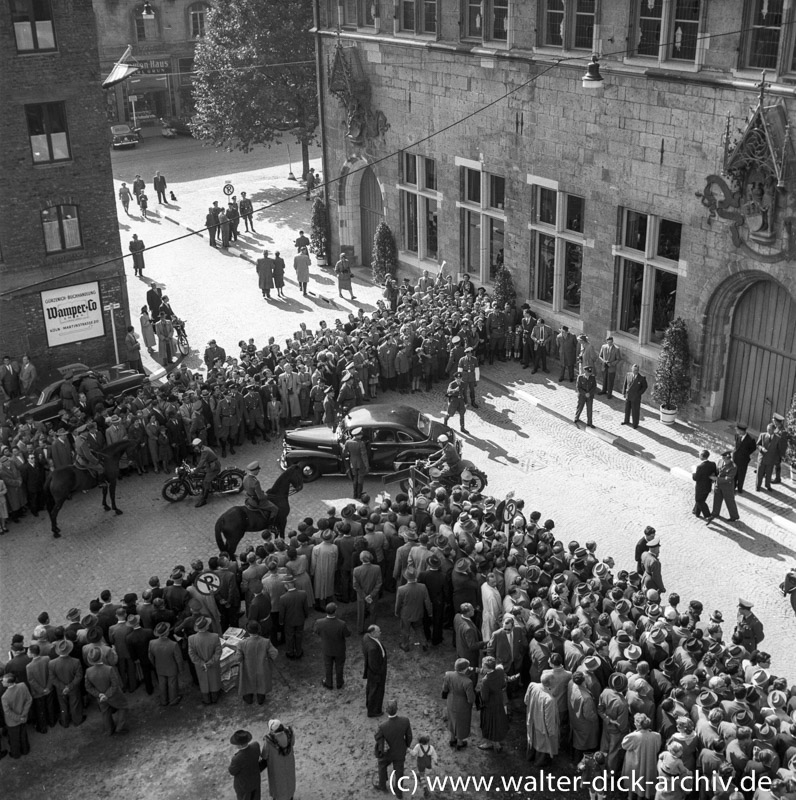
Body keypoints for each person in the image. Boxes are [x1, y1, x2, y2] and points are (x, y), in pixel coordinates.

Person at [374, 700, 413, 796]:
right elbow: (409, 736)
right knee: (399, 771)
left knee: (382, 765)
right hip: (400, 751)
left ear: (386, 710)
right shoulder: (405, 721)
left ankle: (382, 785)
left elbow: (377, 737)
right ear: (397, 709)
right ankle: (399, 792)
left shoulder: (383, 726)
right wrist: (406, 746)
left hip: (387, 753)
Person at [236, 620, 278, 705]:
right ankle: (260, 699)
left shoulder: (241, 643)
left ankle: (249, 699)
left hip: (248, 668)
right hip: (262, 667)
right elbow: (274, 653)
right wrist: (267, 658)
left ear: (247, 631)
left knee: (247, 682)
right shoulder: (266, 642)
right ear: (258, 629)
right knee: (261, 682)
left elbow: (238, 658)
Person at [312, 602, 351, 690]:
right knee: (339, 666)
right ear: (335, 611)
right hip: (339, 649)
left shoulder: (319, 622)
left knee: (328, 666)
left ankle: (329, 683)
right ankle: (339, 683)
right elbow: (347, 634)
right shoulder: (342, 624)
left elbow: (315, 632)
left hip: (327, 649)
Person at [395, 567, 432, 652]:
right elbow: (427, 601)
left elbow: (398, 603)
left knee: (405, 630)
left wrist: (397, 612)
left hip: (406, 615)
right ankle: (424, 643)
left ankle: (405, 645)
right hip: (418, 612)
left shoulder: (401, 589)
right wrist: (430, 612)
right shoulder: (423, 587)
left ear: (406, 577)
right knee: (419, 628)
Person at [477, 656, 509, 751]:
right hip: (499, 701)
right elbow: (503, 684)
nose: (482, 668)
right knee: (498, 722)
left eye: (483, 666)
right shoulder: (500, 671)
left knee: (488, 724)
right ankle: (497, 744)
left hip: (489, 705)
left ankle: (489, 743)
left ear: (488, 668)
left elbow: (484, 697)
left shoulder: (485, 681)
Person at [147, 621, 183, 706]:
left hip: (159, 667)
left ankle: (164, 701)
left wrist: (155, 665)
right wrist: (181, 669)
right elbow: (179, 659)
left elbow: (150, 656)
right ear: (167, 632)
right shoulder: (173, 644)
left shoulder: (151, 643)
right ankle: (173, 700)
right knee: (172, 684)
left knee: (162, 684)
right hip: (171, 667)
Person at [188, 615, 222, 704]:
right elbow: (218, 652)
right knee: (214, 681)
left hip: (200, 666)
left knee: (203, 681)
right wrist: (210, 662)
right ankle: (215, 698)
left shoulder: (191, 639)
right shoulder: (214, 636)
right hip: (213, 665)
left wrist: (202, 663)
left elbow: (192, 654)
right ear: (207, 626)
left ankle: (206, 700)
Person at [262, 719, 296, 800]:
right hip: (289, 762)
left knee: (278, 784)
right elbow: (293, 743)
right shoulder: (290, 734)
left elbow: (264, 755)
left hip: (276, 766)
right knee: (289, 779)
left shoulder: (269, 741)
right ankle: (290, 795)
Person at [277, 578, 309, 659]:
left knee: (289, 637)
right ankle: (299, 652)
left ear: (287, 585)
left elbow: (282, 613)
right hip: (300, 619)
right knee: (299, 635)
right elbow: (306, 608)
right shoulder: (303, 594)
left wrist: (281, 621)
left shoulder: (283, 598)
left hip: (289, 621)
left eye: (284, 584)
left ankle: (290, 652)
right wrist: (306, 616)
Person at [1, 673, 32, 758]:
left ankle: (16, 754)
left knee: (14, 739)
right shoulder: (22, 685)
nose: (2, 682)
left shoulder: (5, 696)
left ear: (10, 683)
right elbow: (29, 700)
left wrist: (18, 718)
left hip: (12, 722)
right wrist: (23, 715)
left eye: (3, 681)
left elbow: (7, 712)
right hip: (24, 717)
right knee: (23, 734)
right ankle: (25, 750)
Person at [228, 729, 264, 800]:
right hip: (255, 781)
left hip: (244, 787)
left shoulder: (237, 759)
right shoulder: (256, 746)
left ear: (239, 745)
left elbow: (232, 771)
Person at [242, 461, 279, 528]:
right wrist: (266, 495)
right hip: (255, 502)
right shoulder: (255, 482)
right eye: (258, 470)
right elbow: (261, 497)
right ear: (254, 471)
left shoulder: (245, 477)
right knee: (275, 509)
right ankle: (270, 525)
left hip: (248, 498)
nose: (259, 471)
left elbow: (246, 488)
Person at [353, 551, 382, 635]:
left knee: (361, 612)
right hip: (373, 595)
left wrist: (364, 596)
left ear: (361, 559)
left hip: (361, 596)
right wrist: (371, 595)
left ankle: (360, 629)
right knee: (373, 612)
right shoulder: (377, 568)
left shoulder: (356, 570)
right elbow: (379, 583)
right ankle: (373, 630)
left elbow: (355, 585)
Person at [362, 624, 388, 717]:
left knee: (371, 689)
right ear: (372, 633)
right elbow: (374, 665)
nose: (380, 632)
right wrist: (381, 672)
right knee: (376, 691)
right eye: (378, 631)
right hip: (376, 674)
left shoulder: (366, 637)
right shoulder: (373, 648)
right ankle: (374, 711)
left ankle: (370, 706)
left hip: (372, 672)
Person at [707, 451, 739, 523]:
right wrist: (713, 476)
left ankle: (734, 516)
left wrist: (716, 479)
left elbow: (729, 478)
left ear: (729, 459)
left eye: (725, 459)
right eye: (723, 458)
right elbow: (717, 471)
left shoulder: (733, 467)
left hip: (727, 487)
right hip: (718, 485)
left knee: (730, 501)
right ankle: (715, 513)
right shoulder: (720, 461)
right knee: (717, 499)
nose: (723, 460)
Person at [192, 437, 220, 508]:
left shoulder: (205, 451)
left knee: (206, 481)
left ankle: (204, 499)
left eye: (195, 446)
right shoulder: (204, 448)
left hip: (213, 467)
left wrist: (195, 471)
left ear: (199, 445)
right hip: (209, 464)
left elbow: (201, 462)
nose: (195, 448)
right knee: (202, 474)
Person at [343, 428, 369, 500]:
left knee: (355, 478)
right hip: (360, 463)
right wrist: (367, 466)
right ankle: (359, 494)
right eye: (360, 434)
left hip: (352, 463)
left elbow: (344, 452)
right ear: (357, 435)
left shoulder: (348, 442)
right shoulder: (361, 443)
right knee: (360, 479)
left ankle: (354, 494)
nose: (361, 436)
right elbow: (364, 456)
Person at [692, 450, 717, 520]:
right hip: (708, 486)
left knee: (699, 500)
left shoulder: (700, 467)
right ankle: (696, 512)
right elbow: (715, 473)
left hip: (700, 487)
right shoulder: (713, 464)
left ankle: (708, 515)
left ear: (702, 456)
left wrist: (694, 471)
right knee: (702, 499)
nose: (699, 455)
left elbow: (696, 478)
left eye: (699, 455)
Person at [732, 423, 757, 494]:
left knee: (741, 474)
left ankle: (740, 488)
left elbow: (753, 448)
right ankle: (733, 487)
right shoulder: (737, 436)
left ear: (741, 431)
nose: (736, 431)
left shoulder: (750, 440)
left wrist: (745, 454)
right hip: (736, 458)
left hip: (743, 460)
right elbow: (736, 446)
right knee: (734, 473)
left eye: (737, 430)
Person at [622, 364, 648, 428]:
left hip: (635, 397)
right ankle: (626, 420)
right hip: (628, 396)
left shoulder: (641, 378)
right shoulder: (628, 375)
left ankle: (635, 424)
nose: (635, 371)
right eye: (634, 370)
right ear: (632, 369)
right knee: (627, 409)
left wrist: (639, 393)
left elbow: (645, 386)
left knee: (635, 411)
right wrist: (624, 393)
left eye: (636, 370)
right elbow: (625, 384)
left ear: (638, 370)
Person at [756, 423, 778, 492]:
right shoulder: (762, 435)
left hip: (770, 460)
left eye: (770, 429)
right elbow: (758, 445)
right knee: (759, 473)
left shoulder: (777, 438)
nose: (768, 430)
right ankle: (758, 486)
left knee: (769, 474)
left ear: (774, 430)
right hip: (762, 459)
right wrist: (761, 449)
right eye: (767, 429)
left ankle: (767, 485)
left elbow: (778, 450)